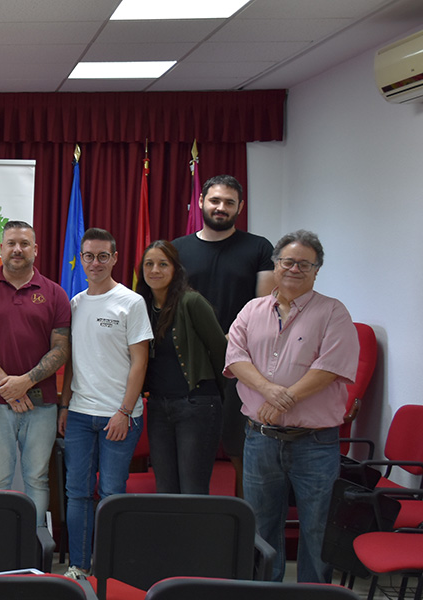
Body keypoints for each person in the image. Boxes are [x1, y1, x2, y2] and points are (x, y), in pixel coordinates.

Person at [224, 230, 357, 583]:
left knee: (317, 529)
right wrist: (269, 391)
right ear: (275, 265)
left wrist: (288, 398)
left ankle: (312, 593)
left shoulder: (333, 312)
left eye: (304, 264)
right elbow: (235, 357)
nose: (294, 268)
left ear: (317, 270)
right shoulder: (251, 310)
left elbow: (330, 367)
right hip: (260, 439)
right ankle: (265, 591)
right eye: (288, 261)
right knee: (261, 526)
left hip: (315, 443)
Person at [58, 228, 152, 581]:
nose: (95, 263)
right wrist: (64, 406)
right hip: (80, 415)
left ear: (114, 258)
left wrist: (124, 411)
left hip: (120, 416)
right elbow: (72, 361)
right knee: (77, 493)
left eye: (102, 256)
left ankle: (110, 568)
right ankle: (80, 566)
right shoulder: (75, 303)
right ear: (80, 259)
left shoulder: (131, 302)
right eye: (88, 256)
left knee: (112, 493)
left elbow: (140, 362)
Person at [0, 221, 70, 526]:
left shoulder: (55, 293)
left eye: (24, 244)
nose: (17, 249)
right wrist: (7, 386)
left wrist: (26, 382)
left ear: (35, 249)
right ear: (1, 249)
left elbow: (61, 349)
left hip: (41, 402)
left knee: (37, 478)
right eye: (11, 243)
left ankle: (33, 543)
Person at [172, 175, 275, 484]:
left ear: (240, 207)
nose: (221, 207)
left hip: (241, 361)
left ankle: (246, 512)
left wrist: (225, 342)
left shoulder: (259, 247)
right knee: (189, 450)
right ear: (201, 202)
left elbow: (263, 306)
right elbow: (170, 307)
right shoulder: (177, 249)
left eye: (229, 202)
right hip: (189, 364)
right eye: (215, 200)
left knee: (239, 448)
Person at [135, 240, 227, 494]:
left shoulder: (192, 302)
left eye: (163, 264)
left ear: (176, 268)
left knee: (192, 489)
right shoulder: (140, 306)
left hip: (196, 405)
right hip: (158, 407)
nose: (155, 270)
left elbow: (221, 351)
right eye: (149, 264)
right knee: (165, 488)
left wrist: (211, 394)